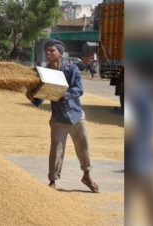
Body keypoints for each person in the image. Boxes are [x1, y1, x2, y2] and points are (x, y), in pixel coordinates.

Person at [26, 39, 100, 193]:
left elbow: (79, 90)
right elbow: (42, 96)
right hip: (58, 118)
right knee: (56, 150)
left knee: (83, 147)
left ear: (60, 53)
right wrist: (33, 97)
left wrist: (63, 94)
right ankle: (53, 181)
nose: (48, 53)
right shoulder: (45, 73)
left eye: (52, 50)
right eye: (47, 50)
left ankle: (87, 176)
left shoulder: (71, 69)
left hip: (76, 116)